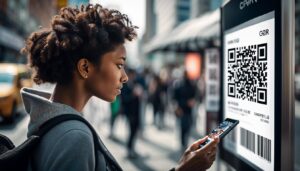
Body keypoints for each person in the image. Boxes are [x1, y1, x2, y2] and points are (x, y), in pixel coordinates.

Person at [21, 4, 219, 171]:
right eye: (119, 64)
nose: (124, 77)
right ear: (85, 67)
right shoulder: (74, 138)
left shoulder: (48, 121)